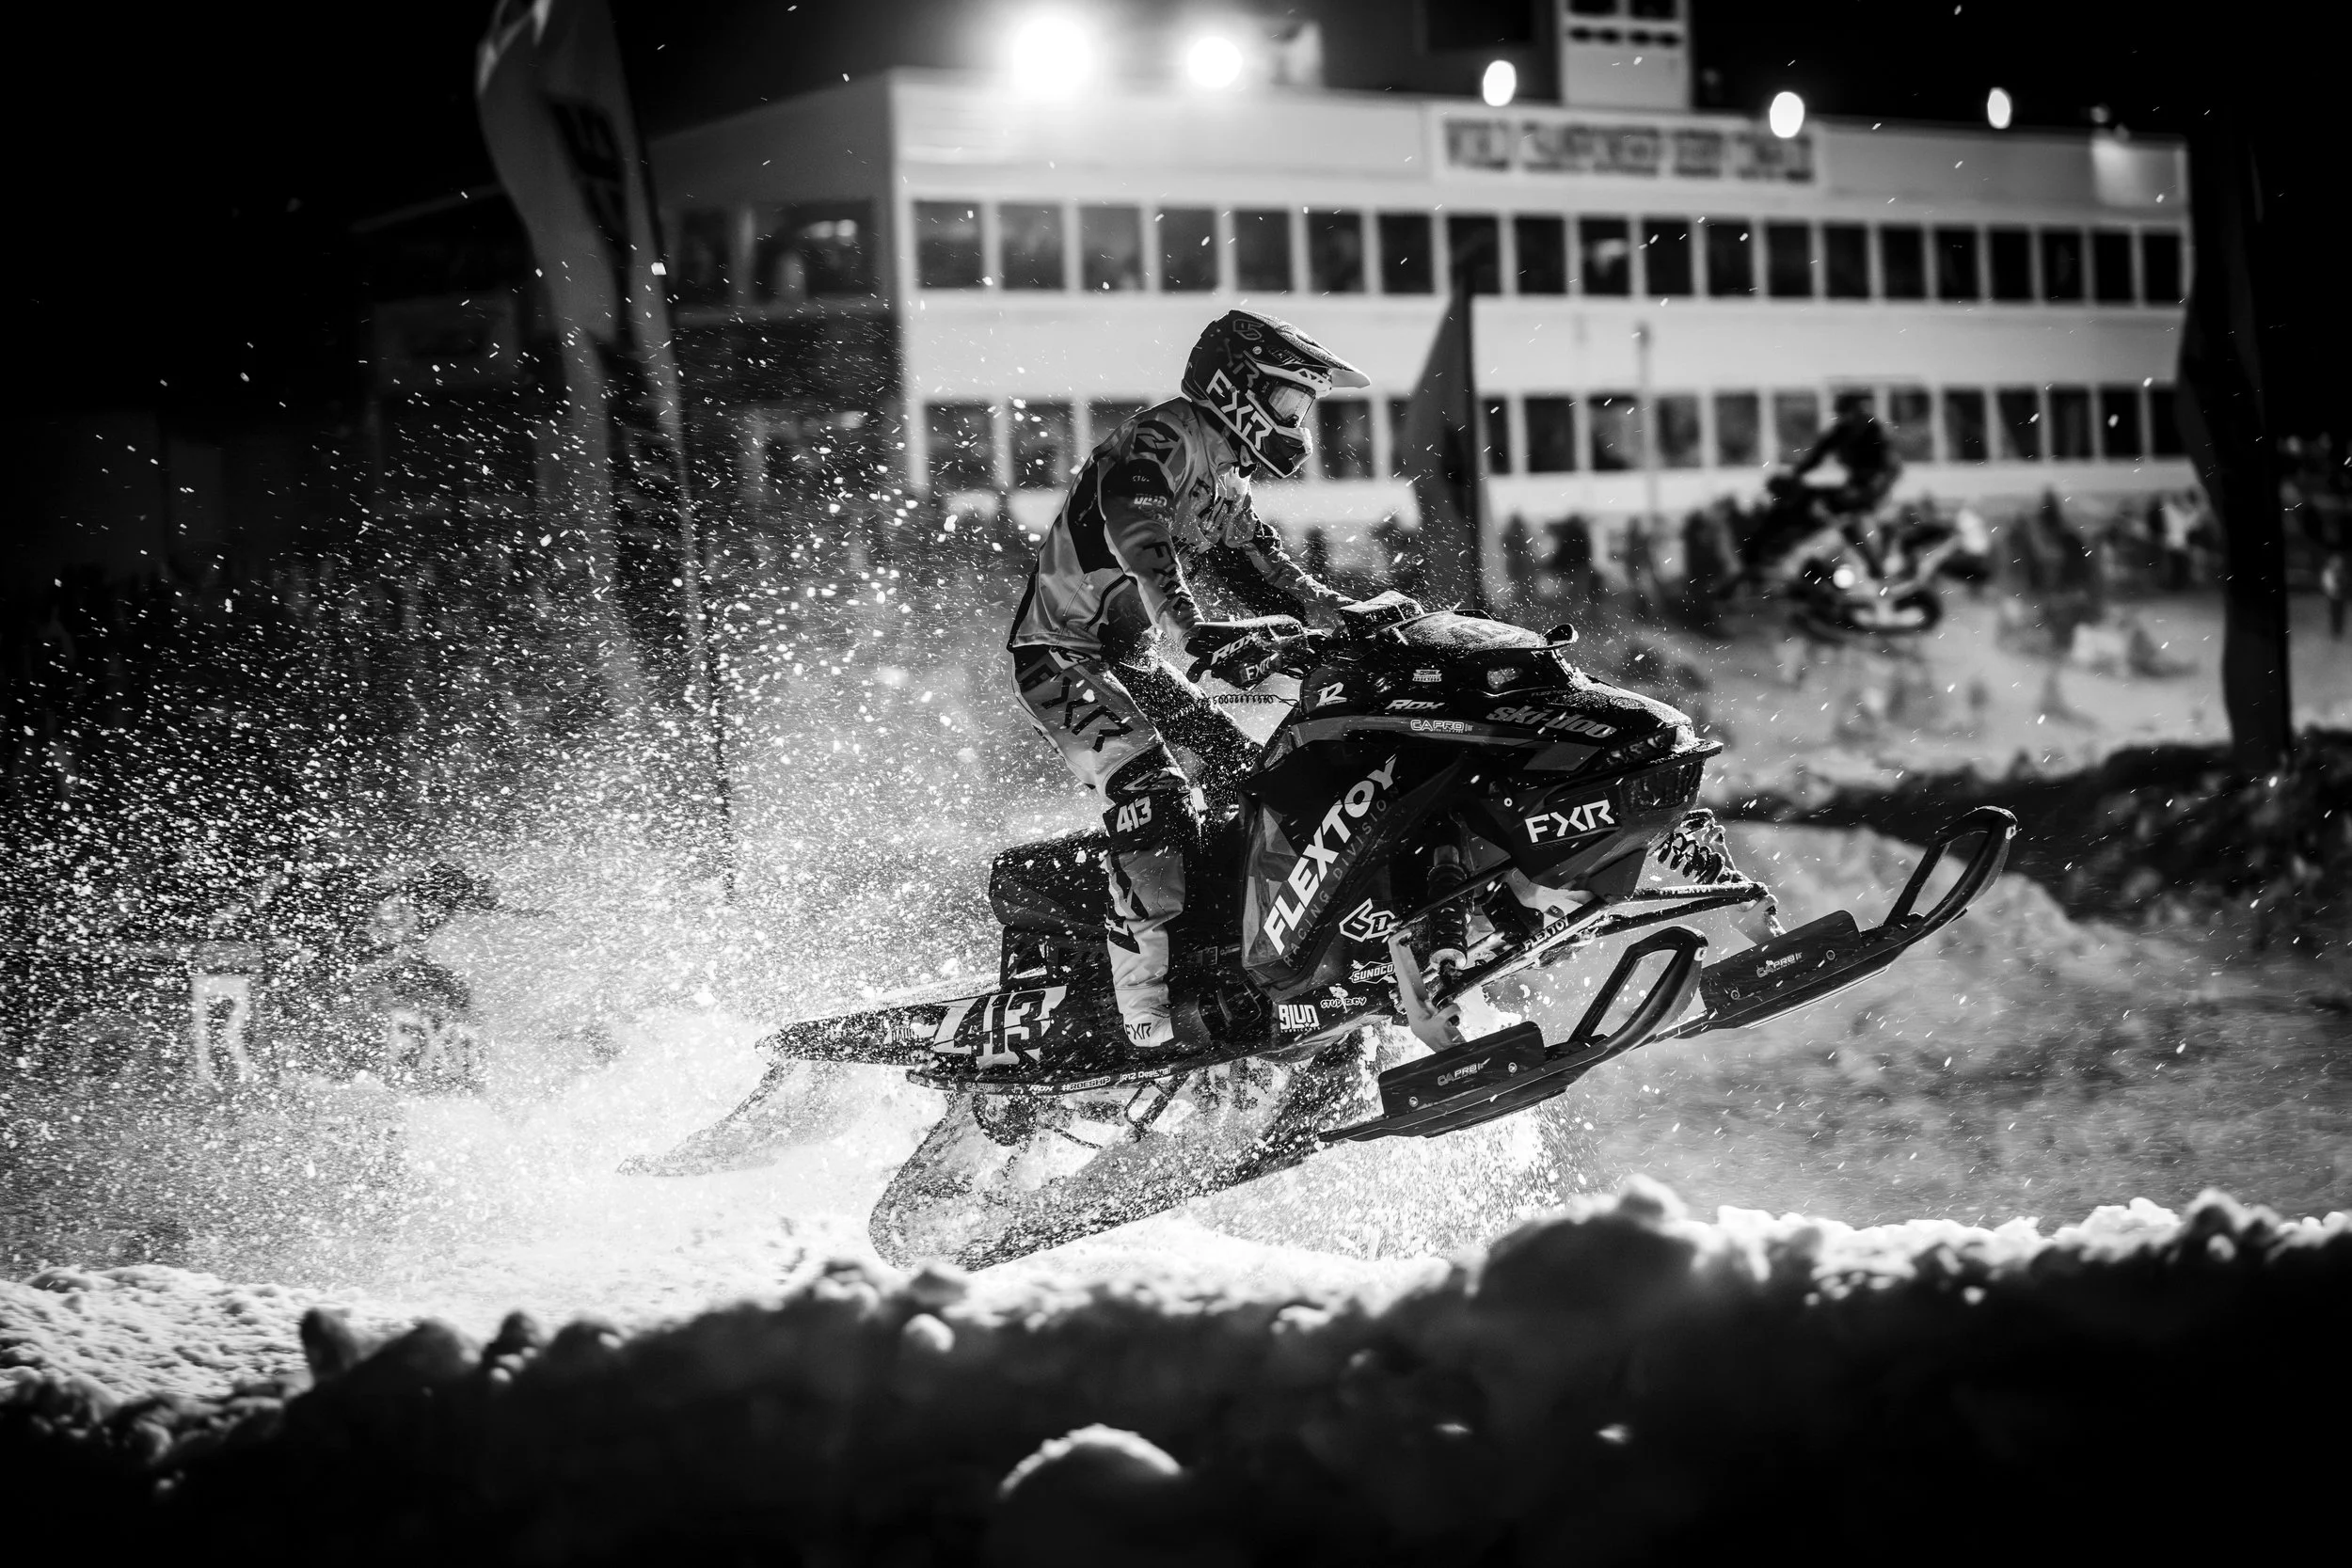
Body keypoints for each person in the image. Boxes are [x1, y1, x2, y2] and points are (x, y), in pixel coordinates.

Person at [1007, 309, 1370, 1057]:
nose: (1298, 422)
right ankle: (1142, 1014)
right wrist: (1192, 629)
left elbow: (1257, 560)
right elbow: (1136, 532)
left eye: (1304, 406)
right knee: (1153, 792)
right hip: (1061, 655)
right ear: (1238, 386)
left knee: (1251, 773)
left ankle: (1227, 949)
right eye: (1290, 400)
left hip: (1132, 658)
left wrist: (1344, 615)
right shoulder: (1163, 438)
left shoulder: (1227, 472)